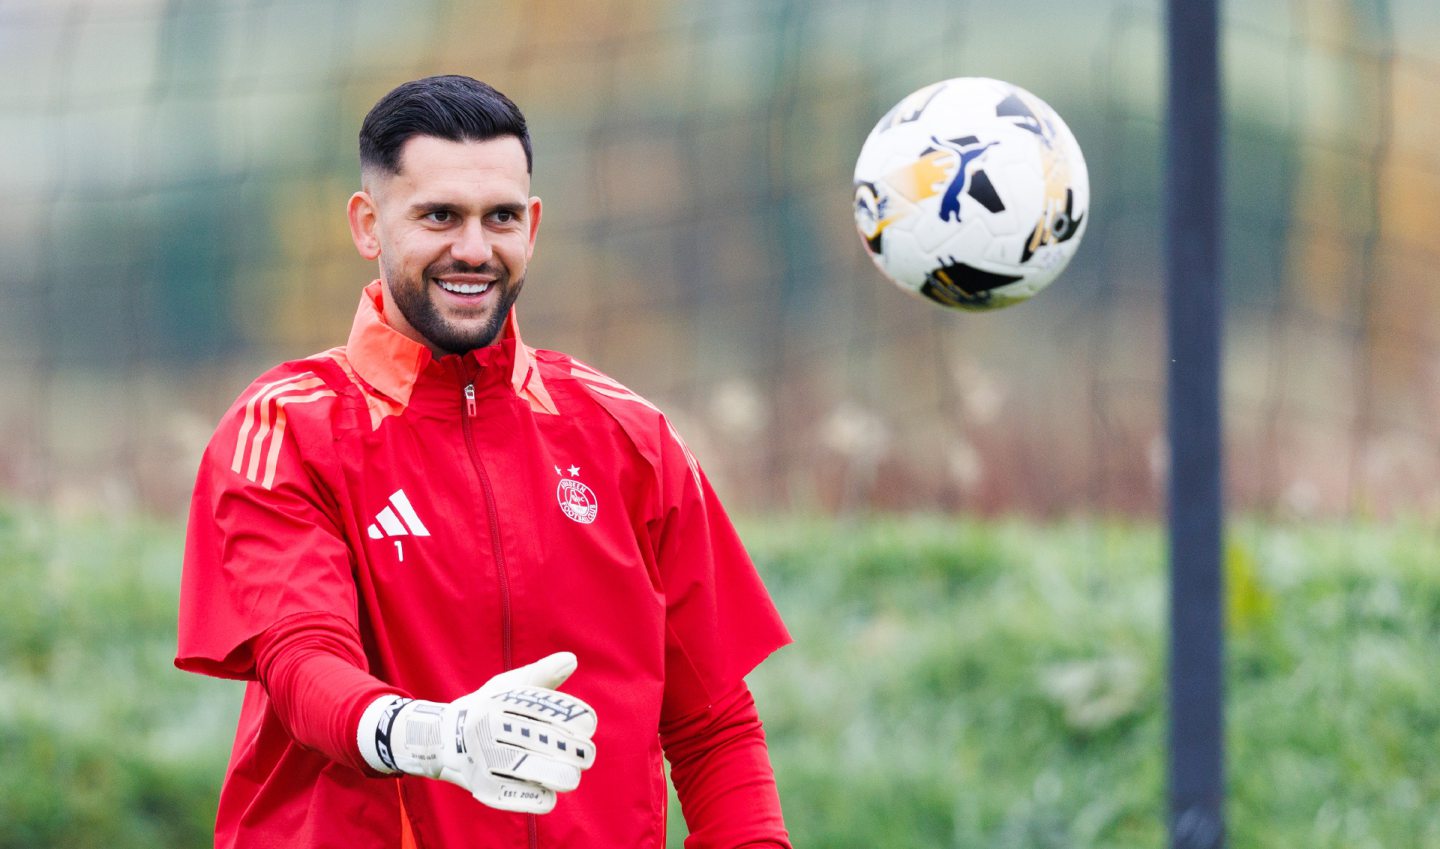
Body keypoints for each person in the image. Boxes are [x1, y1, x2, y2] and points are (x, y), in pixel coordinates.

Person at [176, 74, 793, 849]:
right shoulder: (287, 425)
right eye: (439, 216)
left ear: (531, 225)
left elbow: (715, 725)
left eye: (500, 217)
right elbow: (305, 662)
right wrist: (435, 736)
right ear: (368, 225)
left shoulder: (631, 435)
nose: (474, 249)